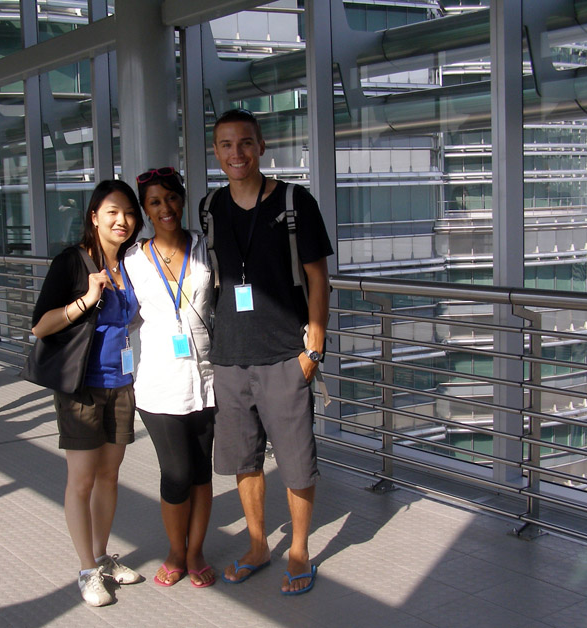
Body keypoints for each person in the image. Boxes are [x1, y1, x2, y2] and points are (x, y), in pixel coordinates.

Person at [206, 109, 333, 595]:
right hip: (231, 355)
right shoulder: (210, 206)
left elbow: (318, 276)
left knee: (298, 460)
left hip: (285, 354)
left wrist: (314, 344)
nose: (235, 153)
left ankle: (298, 549)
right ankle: (258, 545)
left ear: (260, 146)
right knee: (245, 460)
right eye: (225, 145)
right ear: (216, 152)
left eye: (244, 143)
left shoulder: (294, 199)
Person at [31, 179, 145, 607]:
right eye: (112, 212)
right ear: (94, 217)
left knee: (109, 475)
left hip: (121, 383)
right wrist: (86, 300)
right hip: (81, 385)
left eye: (129, 214)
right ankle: (86, 570)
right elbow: (40, 325)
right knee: (81, 480)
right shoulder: (73, 263)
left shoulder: (132, 263)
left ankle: (101, 555)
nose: (122, 220)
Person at [124, 167, 216, 589]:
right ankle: (175, 550)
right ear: (145, 210)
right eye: (155, 202)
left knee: (201, 472)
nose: (166, 208)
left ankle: (195, 552)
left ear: (183, 199)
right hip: (159, 384)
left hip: (207, 378)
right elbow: (118, 313)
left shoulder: (205, 247)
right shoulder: (132, 261)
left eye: (172, 199)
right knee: (176, 472)